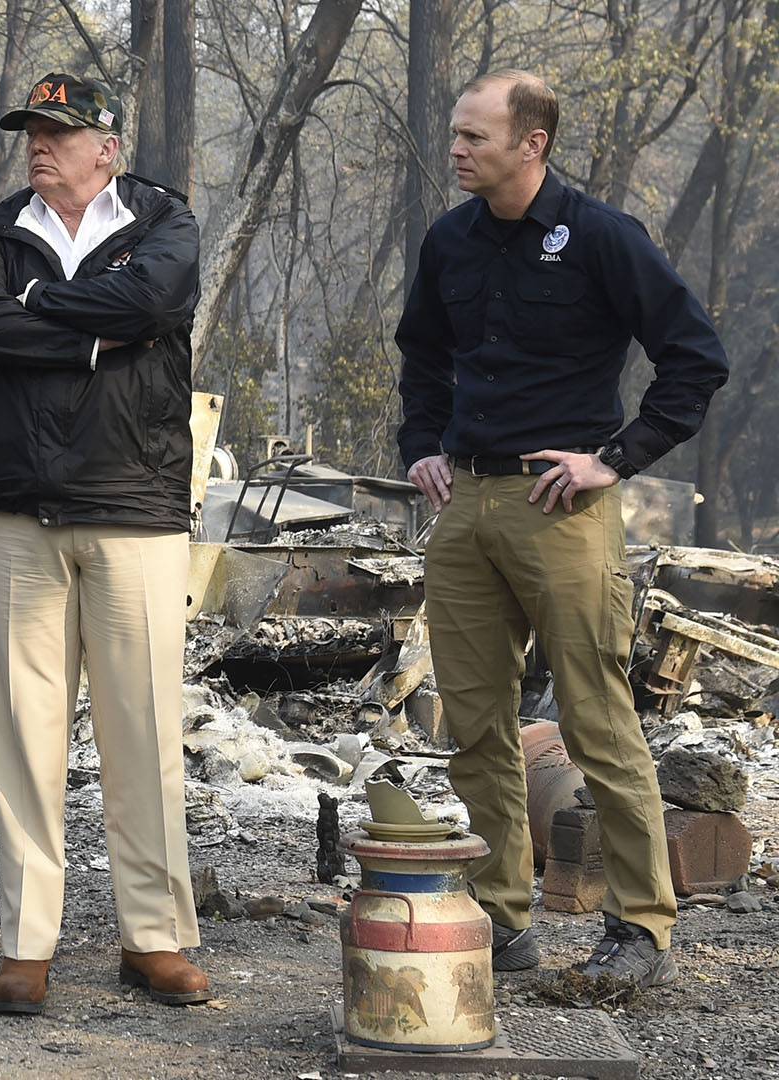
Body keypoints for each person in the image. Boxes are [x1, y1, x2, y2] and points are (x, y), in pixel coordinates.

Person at [396, 69, 729, 988]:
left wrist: (613, 459)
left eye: (474, 137)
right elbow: (422, 354)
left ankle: (639, 928)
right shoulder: (450, 240)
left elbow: (695, 360)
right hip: (463, 507)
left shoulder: (602, 239)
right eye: (457, 134)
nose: (456, 149)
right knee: (475, 725)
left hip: (564, 507)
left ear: (531, 144)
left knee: (595, 719)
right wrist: (422, 443)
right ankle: (501, 921)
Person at [0, 71, 210, 1015]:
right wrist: (92, 332)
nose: (39, 145)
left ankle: (156, 936)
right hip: (18, 507)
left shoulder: (163, 220)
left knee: (142, 730)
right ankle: (27, 944)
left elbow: (150, 310)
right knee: (24, 733)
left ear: (108, 146)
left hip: (134, 505)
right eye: (30, 130)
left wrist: (44, 312)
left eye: (59, 131)